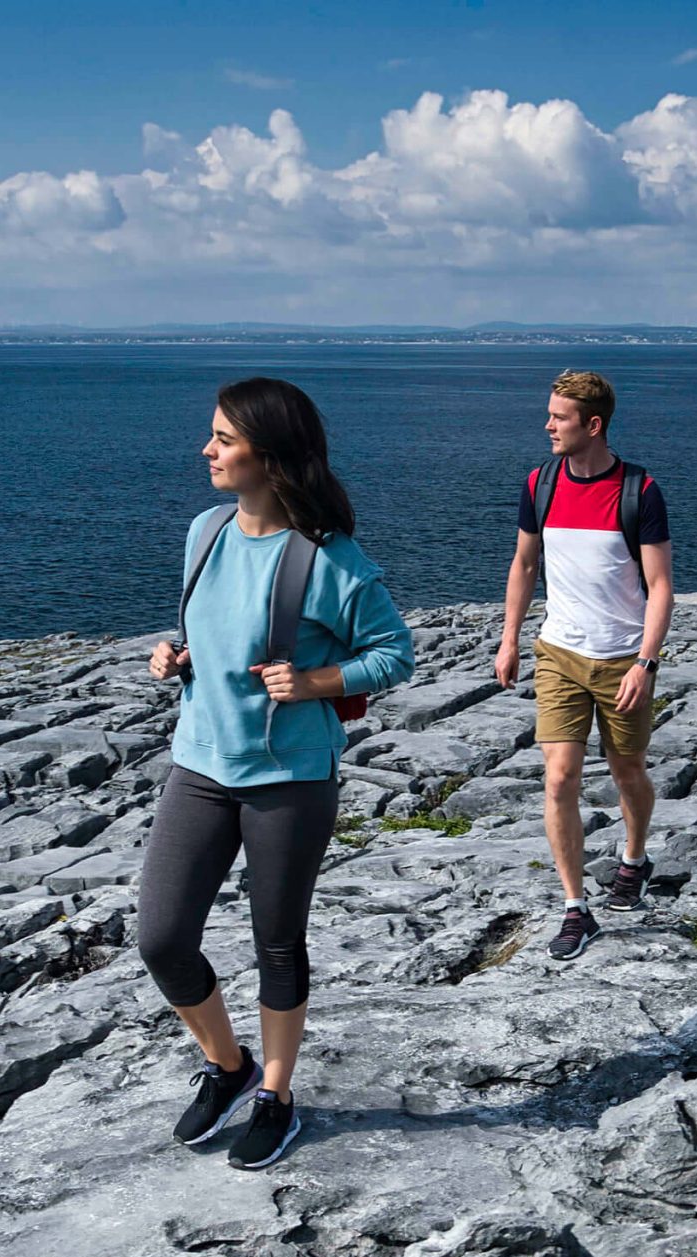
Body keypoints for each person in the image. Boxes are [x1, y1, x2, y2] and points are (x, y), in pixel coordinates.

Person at [141, 377, 415, 1169]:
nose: (208, 450)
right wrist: (177, 654)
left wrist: (318, 682)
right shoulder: (205, 530)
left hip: (290, 776)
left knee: (277, 944)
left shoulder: (332, 558)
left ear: (269, 453)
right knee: (161, 937)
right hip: (199, 763)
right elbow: (211, 626)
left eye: (223, 438)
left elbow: (395, 654)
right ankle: (227, 1066)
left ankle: (276, 1094)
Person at [492, 370, 673, 961]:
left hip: (623, 659)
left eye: (558, 417)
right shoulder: (539, 484)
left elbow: (660, 584)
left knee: (628, 772)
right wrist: (509, 638)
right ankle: (575, 908)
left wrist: (645, 663)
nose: (547, 426)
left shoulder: (639, 491)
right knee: (560, 777)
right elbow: (523, 565)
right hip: (559, 654)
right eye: (548, 414)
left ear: (593, 425)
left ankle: (633, 858)